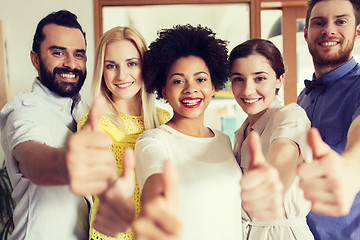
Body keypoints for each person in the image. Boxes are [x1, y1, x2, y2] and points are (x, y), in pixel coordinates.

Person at [134, 24, 284, 240]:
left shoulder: (224, 140)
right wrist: (155, 206)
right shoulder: (153, 141)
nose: (190, 88)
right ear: (164, 90)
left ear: (213, 85)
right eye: (178, 81)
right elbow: (155, 182)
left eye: (201, 79)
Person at [0, 10, 117, 240]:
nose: (71, 64)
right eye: (58, 53)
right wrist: (68, 164)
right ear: (35, 59)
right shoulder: (23, 111)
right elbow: (32, 158)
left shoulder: (86, 112)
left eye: (79, 55)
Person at [76, 26, 171, 240]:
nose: (122, 75)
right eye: (111, 66)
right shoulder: (93, 125)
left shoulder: (164, 120)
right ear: (102, 70)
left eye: (131, 63)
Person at [229, 38, 313, 239]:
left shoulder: (290, 115)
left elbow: (284, 151)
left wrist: (274, 179)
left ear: (279, 79)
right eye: (238, 78)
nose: (248, 90)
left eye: (259, 78)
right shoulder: (242, 132)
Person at [296, 0, 360, 239]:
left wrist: (351, 170)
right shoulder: (303, 97)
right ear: (306, 33)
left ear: (357, 31)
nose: (329, 30)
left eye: (340, 21)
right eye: (319, 22)